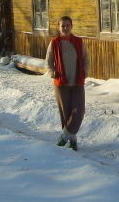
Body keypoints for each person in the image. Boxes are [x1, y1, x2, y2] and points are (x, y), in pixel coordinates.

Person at [45, 16, 90, 151]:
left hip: (77, 82)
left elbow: (86, 58)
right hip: (61, 83)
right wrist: (52, 73)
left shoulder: (78, 42)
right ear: (59, 27)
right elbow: (48, 61)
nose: (65, 28)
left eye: (67, 25)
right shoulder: (54, 42)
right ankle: (73, 141)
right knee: (66, 113)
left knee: (79, 111)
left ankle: (64, 137)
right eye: (62, 26)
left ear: (71, 26)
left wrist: (85, 71)